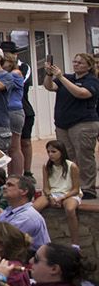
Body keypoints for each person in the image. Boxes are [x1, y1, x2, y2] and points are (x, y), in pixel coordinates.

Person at [46, 51, 98, 199]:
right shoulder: (68, 78)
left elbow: (81, 93)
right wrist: (49, 74)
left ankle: (88, 188)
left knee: (84, 156)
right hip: (63, 123)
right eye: (75, 62)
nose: (76, 64)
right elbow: (49, 87)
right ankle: (71, 185)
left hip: (83, 123)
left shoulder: (92, 80)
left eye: (80, 62)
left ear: (89, 66)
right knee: (67, 156)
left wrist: (60, 77)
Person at [34, 140, 83, 244]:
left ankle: (75, 243)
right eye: (48, 152)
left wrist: (62, 197)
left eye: (53, 151)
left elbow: (75, 189)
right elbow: (46, 187)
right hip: (53, 193)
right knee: (33, 208)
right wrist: (50, 197)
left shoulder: (72, 166)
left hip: (69, 193)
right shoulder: (46, 166)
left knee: (70, 209)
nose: (50, 154)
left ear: (61, 152)